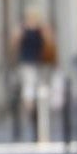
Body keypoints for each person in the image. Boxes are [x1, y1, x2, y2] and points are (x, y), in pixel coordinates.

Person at [10, 7, 55, 142]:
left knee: (38, 94)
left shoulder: (40, 29)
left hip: (38, 65)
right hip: (29, 66)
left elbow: (50, 44)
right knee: (31, 93)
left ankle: (36, 117)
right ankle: (32, 114)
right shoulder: (23, 29)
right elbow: (14, 44)